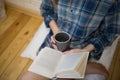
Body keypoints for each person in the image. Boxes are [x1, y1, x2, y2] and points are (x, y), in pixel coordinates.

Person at [21, 0, 120, 80]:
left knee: (63, 76)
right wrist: (56, 32)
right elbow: (46, 10)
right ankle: (86, 67)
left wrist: (84, 51)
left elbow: (110, 32)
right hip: (53, 45)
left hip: (80, 49)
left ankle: (84, 66)